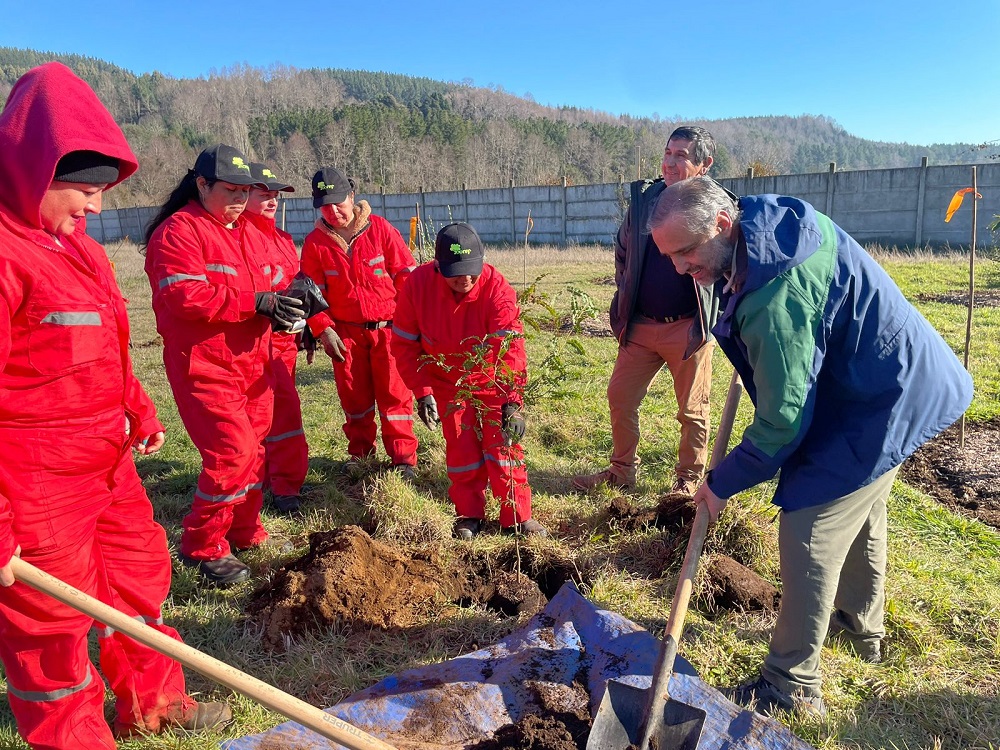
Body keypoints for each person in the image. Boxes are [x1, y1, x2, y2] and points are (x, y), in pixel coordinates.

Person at [648, 176, 973, 717]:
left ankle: (791, 683)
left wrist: (721, 481)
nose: (680, 268)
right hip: (879, 379)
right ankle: (857, 629)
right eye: (670, 257)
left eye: (685, 253)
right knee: (862, 507)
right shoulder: (766, 224)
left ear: (723, 224)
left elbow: (783, 423)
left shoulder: (774, 297)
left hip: (878, 399)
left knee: (810, 527)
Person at [0, 62, 231, 748]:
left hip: (108, 461)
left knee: (138, 581)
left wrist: (139, 411)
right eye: (84, 189)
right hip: (33, 481)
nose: (96, 206)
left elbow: (109, 345)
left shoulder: (82, 252)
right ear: (32, 169)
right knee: (50, 628)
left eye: (105, 190)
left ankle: (154, 705)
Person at [144, 144, 305, 587]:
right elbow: (184, 296)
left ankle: (246, 531)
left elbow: (276, 279)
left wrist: (299, 295)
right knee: (231, 454)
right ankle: (202, 544)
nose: (240, 199)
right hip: (206, 364)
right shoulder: (179, 232)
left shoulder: (245, 230)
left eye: (244, 191)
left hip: (254, 363)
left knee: (253, 453)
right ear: (202, 184)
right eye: (230, 190)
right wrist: (255, 302)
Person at [573, 126, 720, 496]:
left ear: (704, 164)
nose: (670, 162)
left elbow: (727, 265)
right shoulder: (644, 201)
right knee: (620, 397)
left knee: (692, 410)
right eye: (668, 153)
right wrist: (625, 295)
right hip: (640, 326)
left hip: (688, 329)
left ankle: (687, 481)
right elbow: (623, 251)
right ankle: (621, 472)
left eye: (682, 155)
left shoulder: (714, 207)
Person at [392, 222, 547, 539]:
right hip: (447, 384)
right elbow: (405, 345)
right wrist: (422, 392)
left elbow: (510, 349)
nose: (465, 279)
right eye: (456, 272)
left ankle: (517, 518)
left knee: (504, 449)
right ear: (438, 266)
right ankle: (468, 515)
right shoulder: (417, 287)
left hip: (492, 382)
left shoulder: (497, 288)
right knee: (462, 452)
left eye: (471, 271)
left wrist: (512, 402)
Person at [300, 166, 422, 481]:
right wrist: (323, 329)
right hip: (346, 335)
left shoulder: (381, 230)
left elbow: (406, 277)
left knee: (395, 396)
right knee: (355, 400)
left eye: (338, 202)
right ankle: (361, 456)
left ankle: (404, 460)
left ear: (352, 197)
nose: (333, 210)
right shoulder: (315, 244)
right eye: (325, 205)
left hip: (389, 331)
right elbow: (312, 295)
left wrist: (414, 324)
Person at [243, 162, 309, 514]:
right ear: (244, 194)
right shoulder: (237, 235)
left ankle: (284, 483)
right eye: (263, 195)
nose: (272, 202)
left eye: (275, 196)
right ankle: (264, 483)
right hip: (253, 342)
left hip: (285, 341)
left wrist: (311, 320)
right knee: (261, 417)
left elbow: (294, 285)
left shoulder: (283, 239)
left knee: (284, 414)